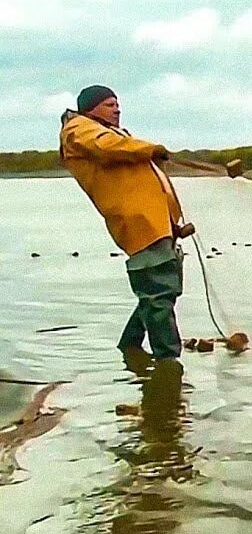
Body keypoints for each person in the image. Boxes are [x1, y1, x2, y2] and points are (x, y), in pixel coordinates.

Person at [60, 85, 188, 363]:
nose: (117, 109)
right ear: (90, 108)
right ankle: (168, 368)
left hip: (155, 225)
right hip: (138, 224)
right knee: (159, 295)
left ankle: (131, 351)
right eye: (109, 104)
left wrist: (172, 223)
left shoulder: (115, 135)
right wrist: (151, 148)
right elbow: (104, 146)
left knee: (158, 293)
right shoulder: (79, 129)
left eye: (118, 104)